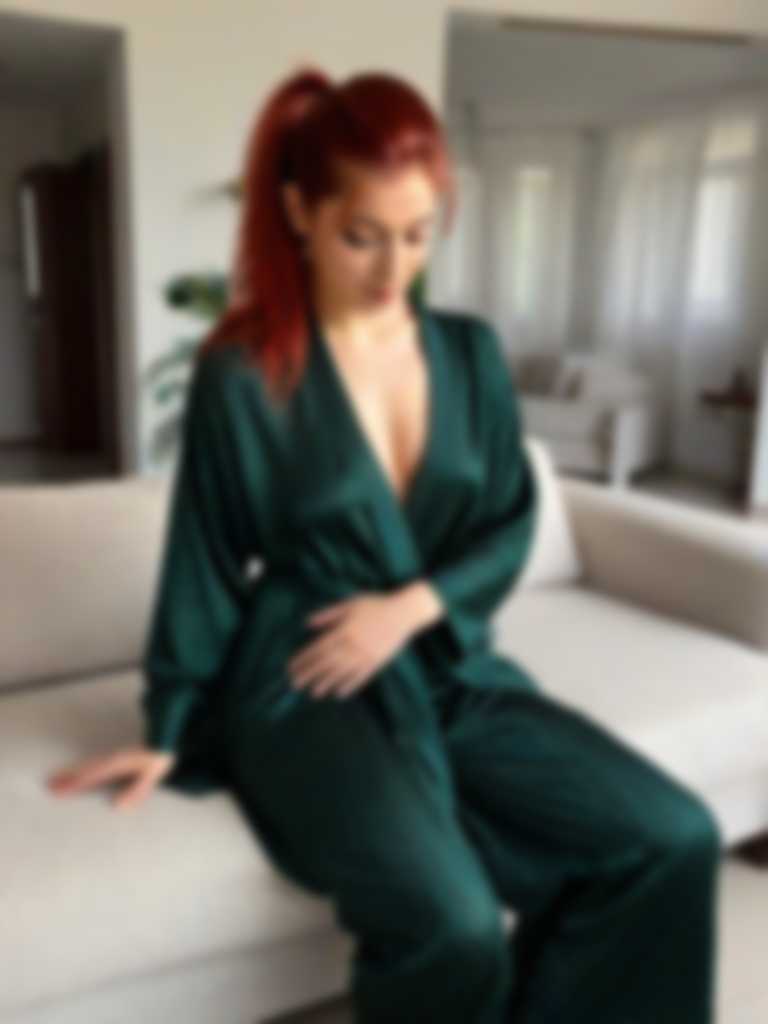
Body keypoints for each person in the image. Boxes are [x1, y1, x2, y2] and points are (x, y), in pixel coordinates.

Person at [48, 65, 723, 1023]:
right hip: (306, 678)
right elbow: (204, 556)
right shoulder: (245, 373)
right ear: (299, 212)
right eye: (361, 236)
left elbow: (511, 519)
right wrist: (169, 727)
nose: (391, 269)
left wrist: (411, 608)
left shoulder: (470, 354)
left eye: (417, 234)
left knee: (673, 836)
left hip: (442, 663)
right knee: (452, 924)